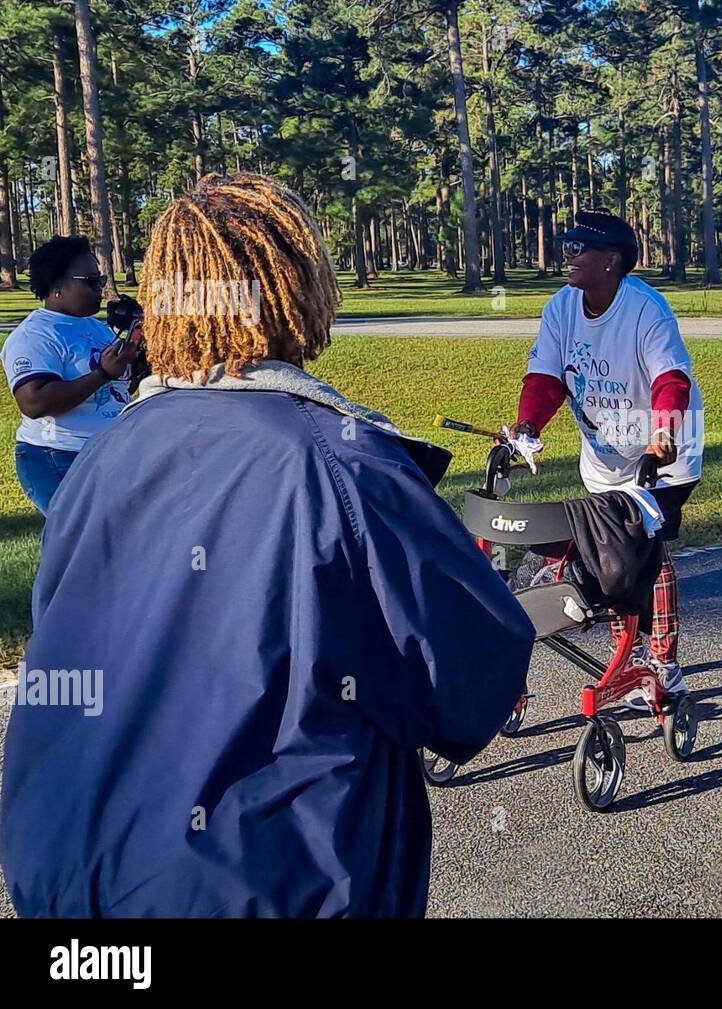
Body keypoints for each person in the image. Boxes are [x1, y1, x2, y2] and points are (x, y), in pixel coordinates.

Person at [0, 174, 534, 917]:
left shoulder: (99, 463)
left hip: (69, 881)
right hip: (273, 887)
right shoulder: (344, 464)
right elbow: (467, 687)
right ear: (299, 288)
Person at [507, 209, 704, 704]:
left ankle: (663, 662)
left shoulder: (645, 310)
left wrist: (664, 434)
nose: (567, 255)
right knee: (610, 546)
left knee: (644, 545)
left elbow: (670, 380)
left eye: (578, 248)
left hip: (665, 453)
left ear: (611, 261)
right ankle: (628, 647)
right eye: (565, 245)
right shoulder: (562, 307)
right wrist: (529, 424)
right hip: (605, 456)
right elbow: (547, 378)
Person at [0, 236, 137, 514]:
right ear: (57, 286)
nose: (100, 289)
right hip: (57, 456)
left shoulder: (95, 327)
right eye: (90, 281)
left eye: (99, 280)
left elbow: (117, 389)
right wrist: (102, 373)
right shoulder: (35, 335)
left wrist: (135, 366)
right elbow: (35, 402)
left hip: (106, 452)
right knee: (86, 546)